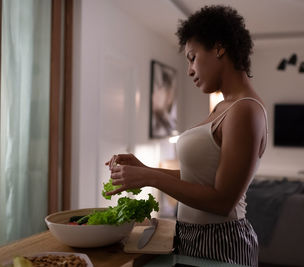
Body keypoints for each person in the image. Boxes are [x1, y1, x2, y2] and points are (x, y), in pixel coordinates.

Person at [105, 5, 268, 266]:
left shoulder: (245, 110)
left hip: (220, 243)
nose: (190, 69)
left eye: (192, 57)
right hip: (191, 236)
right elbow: (202, 180)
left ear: (218, 48)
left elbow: (223, 201)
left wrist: (150, 177)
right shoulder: (224, 108)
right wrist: (144, 169)